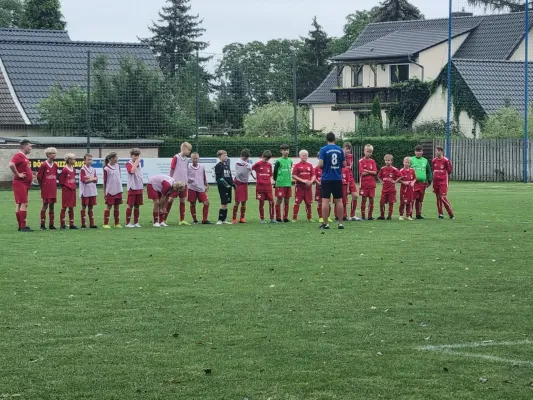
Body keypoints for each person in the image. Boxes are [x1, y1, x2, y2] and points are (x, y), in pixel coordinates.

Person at [318, 132, 346, 230]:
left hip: (326, 178)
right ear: (335, 139)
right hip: (337, 178)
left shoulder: (323, 149)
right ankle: (340, 223)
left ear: (327, 139)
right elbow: (344, 164)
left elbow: (320, 164)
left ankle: (325, 224)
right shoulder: (340, 150)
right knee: (339, 201)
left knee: (325, 201)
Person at [9, 139, 33, 231]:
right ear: (26, 146)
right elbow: (11, 164)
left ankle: (21, 226)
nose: (31, 148)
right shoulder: (18, 155)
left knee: (19, 204)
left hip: (24, 184)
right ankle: (23, 226)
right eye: (30, 146)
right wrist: (18, 174)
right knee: (24, 203)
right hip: (20, 183)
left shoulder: (24, 157)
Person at [168, 142, 192, 225]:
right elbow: (172, 169)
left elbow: (186, 171)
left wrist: (187, 180)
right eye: (189, 150)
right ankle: (163, 219)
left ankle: (182, 220)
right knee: (170, 199)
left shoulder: (187, 160)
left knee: (183, 201)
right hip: (175, 184)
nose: (189, 152)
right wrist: (170, 180)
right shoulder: (176, 157)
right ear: (184, 148)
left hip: (184, 184)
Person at [187, 152, 212, 225]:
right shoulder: (188, 167)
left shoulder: (202, 167)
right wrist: (188, 181)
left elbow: (203, 176)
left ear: (198, 159)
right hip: (192, 188)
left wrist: (206, 184)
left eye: (196, 158)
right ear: (191, 159)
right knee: (192, 204)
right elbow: (185, 176)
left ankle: (204, 220)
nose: (195, 160)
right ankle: (195, 220)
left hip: (201, 188)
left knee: (206, 203)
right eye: (193, 158)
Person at [37, 147, 58, 230]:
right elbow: (39, 177)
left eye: (55, 153)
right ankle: (42, 224)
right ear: (48, 155)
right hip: (46, 189)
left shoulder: (55, 165)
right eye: (53, 153)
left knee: (52, 206)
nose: (55, 155)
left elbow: (55, 176)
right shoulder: (44, 165)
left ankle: (51, 224)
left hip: (53, 189)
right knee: (45, 205)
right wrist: (42, 186)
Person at [252, 150, 275, 224]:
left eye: (268, 159)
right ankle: (262, 218)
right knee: (261, 203)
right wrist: (254, 178)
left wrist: (272, 181)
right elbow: (250, 169)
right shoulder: (258, 164)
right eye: (265, 158)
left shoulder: (269, 165)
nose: (266, 160)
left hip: (268, 187)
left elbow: (271, 175)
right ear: (262, 156)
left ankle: (272, 218)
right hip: (260, 187)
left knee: (272, 202)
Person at [292, 150, 315, 222]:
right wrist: (303, 181)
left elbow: (314, 175)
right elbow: (293, 175)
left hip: (308, 187)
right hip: (299, 187)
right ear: (300, 156)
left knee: (308, 203)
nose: (304, 156)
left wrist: (311, 181)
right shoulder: (297, 165)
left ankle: (309, 218)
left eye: (306, 155)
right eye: (303, 155)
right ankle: (294, 218)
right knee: (297, 202)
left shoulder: (310, 165)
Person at [432, 146, 455, 219]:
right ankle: (440, 214)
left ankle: (451, 214)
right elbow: (433, 170)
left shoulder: (446, 160)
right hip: (436, 182)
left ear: (441, 151)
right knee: (438, 198)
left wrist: (442, 175)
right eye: (435, 151)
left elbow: (449, 171)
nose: (436, 152)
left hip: (443, 182)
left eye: (437, 151)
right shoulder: (434, 161)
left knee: (443, 197)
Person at [411, 145, 433, 219]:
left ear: (422, 152)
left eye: (419, 151)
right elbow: (406, 169)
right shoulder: (411, 159)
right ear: (415, 152)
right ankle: (409, 214)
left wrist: (429, 180)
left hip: (422, 183)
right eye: (416, 151)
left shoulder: (425, 161)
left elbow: (429, 171)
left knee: (420, 199)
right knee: (412, 198)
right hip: (413, 183)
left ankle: (418, 214)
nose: (418, 152)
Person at [377, 154, 401, 220]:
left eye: (389, 160)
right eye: (386, 160)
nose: (387, 162)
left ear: (391, 161)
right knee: (381, 202)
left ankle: (389, 216)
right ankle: (382, 216)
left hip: (391, 190)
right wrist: (381, 181)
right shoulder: (382, 169)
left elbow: (401, 176)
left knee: (391, 203)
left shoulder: (394, 169)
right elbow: (379, 176)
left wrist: (395, 181)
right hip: (384, 189)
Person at [103, 152, 123, 229]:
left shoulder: (118, 166)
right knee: (109, 206)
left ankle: (116, 223)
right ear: (111, 158)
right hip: (110, 191)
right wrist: (105, 192)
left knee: (117, 207)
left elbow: (119, 177)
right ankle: (105, 224)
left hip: (118, 190)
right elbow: (105, 182)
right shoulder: (106, 168)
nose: (117, 159)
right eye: (116, 158)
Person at [232, 149, 252, 224]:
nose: (246, 159)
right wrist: (247, 165)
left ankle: (242, 218)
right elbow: (241, 169)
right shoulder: (238, 162)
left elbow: (250, 169)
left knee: (244, 201)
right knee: (237, 202)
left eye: (247, 158)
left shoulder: (248, 162)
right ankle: (234, 218)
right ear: (241, 156)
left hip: (245, 183)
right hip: (238, 183)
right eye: (244, 158)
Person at [274, 144, 293, 223]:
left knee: (287, 200)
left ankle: (285, 217)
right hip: (281, 183)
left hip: (288, 183)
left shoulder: (290, 161)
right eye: (284, 150)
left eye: (287, 150)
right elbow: (275, 172)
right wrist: (276, 181)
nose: (286, 151)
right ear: (281, 151)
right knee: (279, 200)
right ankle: (278, 217)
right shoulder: (278, 161)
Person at [59, 153, 78, 230]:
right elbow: (61, 181)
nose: (75, 160)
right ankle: (62, 224)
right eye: (74, 159)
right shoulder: (65, 169)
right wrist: (67, 187)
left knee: (71, 207)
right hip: (66, 190)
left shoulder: (73, 169)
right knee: (64, 207)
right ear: (69, 160)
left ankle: (71, 224)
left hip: (72, 190)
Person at [125, 148, 143, 228]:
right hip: (132, 186)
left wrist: (137, 162)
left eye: (137, 156)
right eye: (135, 155)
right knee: (130, 205)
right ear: (131, 155)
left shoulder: (139, 163)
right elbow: (132, 171)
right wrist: (136, 162)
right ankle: (128, 222)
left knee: (137, 205)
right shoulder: (128, 163)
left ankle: (136, 222)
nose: (136, 157)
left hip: (139, 186)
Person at [79, 153, 98, 229]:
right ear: (84, 161)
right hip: (85, 191)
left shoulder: (93, 169)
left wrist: (90, 178)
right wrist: (93, 179)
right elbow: (84, 181)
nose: (90, 161)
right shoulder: (82, 169)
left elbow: (96, 180)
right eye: (88, 160)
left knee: (91, 207)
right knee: (84, 207)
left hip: (92, 191)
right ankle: (83, 224)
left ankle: (92, 224)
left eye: (91, 160)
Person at [359, 144, 377, 220]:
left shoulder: (373, 161)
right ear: (364, 151)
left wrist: (366, 170)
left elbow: (375, 172)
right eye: (367, 151)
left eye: (370, 152)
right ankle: (363, 215)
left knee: (371, 199)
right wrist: (370, 171)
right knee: (364, 199)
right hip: (364, 184)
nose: (368, 153)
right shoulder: (361, 161)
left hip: (372, 184)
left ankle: (370, 216)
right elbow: (362, 173)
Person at [215, 150, 233, 225]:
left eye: (226, 155)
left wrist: (233, 184)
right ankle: (220, 219)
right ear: (219, 157)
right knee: (223, 202)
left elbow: (229, 176)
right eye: (224, 155)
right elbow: (219, 178)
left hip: (229, 187)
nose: (226, 157)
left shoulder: (227, 165)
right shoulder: (218, 165)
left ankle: (224, 219)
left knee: (226, 202)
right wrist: (225, 184)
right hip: (222, 187)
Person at [343, 142, 361, 221]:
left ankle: (352, 215)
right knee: (343, 197)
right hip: (343, 177)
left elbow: (350, 167)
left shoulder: (351, 156)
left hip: (350, 177)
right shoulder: (339, 156)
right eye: (346, 149)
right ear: (343, 148)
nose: (348, 151)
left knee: (355, 195)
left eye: (349, 149)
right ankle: (343, 215)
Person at [399, 157, 416, 221]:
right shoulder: (401, 171)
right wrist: (404, 182)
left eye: (408, 163)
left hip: (410, 189)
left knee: (409, 202)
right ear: (403, 162)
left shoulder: (412, 170)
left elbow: (415, 178)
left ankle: (408, 215)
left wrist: (413, 183)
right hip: (404, 190)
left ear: (410, 164)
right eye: (406, 162)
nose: (407, 164)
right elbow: (399, 179)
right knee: (402, 202)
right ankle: (401, 215)